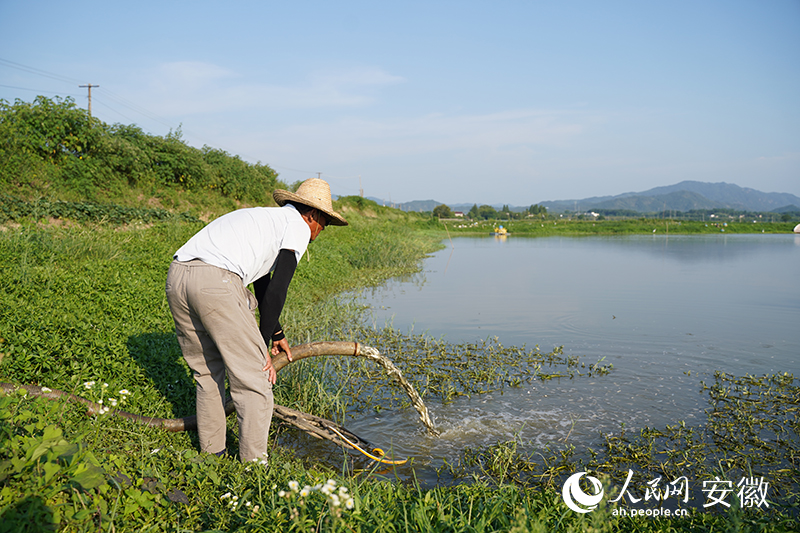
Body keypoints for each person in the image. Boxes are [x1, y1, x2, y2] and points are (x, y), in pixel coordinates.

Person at [165, 178, 348, 463]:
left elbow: (263, 282)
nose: (320, 233)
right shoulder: (298, 227)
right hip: (216, 280)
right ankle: (254, 468)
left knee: (207, 373)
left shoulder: (263, 220)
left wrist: (276, 333)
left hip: (178, 276)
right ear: (313, 215)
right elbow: (278, 289)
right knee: (255, 382)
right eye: (324, 224)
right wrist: (260, 345)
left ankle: (214, 455)